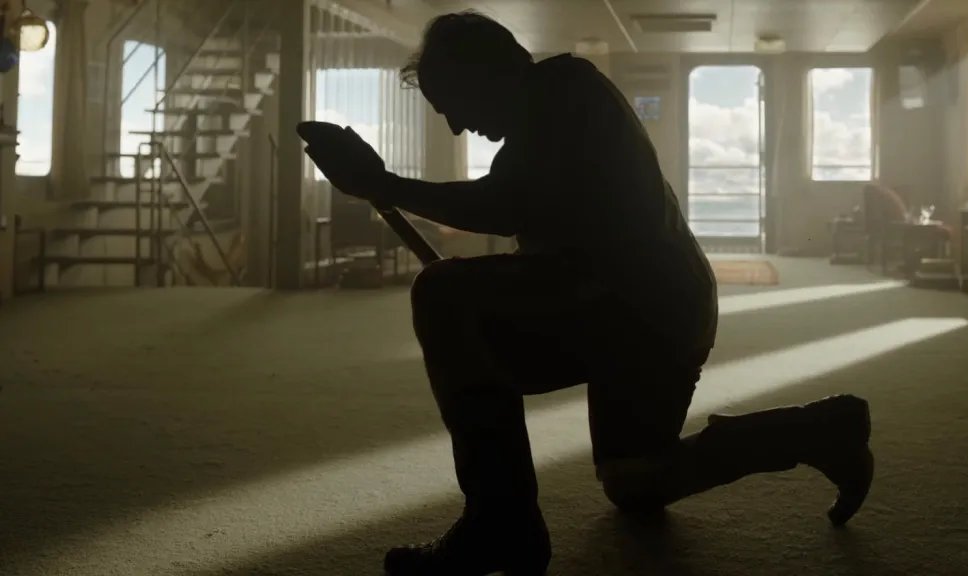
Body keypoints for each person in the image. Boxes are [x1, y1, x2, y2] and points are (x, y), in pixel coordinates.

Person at [301, 11, 873, 576]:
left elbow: (504, 206)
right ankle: (819, 431)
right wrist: (383, 187)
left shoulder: (567, 95)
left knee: (443, 295)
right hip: (638, 312)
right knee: (637, 483)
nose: (454, 127)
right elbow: (528, 219)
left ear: (488, 71)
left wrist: (382, 184)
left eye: (452, 104)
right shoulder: (547, 112)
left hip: (646, 312)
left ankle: (500, 521)